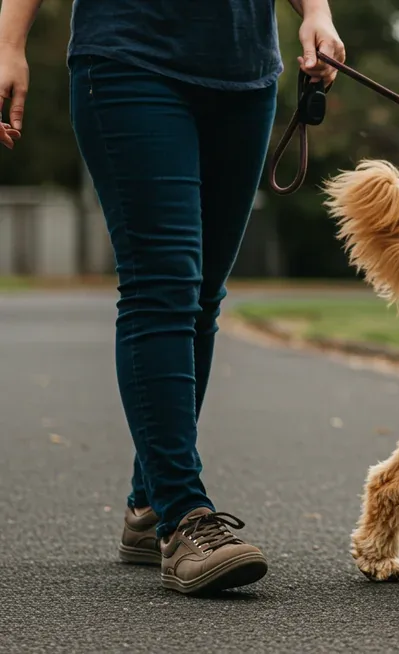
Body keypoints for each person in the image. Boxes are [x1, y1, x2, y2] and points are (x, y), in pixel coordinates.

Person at [0, 0, 344, 595]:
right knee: (163, 287)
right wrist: (8, 44)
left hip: (244, 74)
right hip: (131, 60)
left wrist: (318, 13)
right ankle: (184, 514)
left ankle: (147, 502)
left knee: (203, 297)